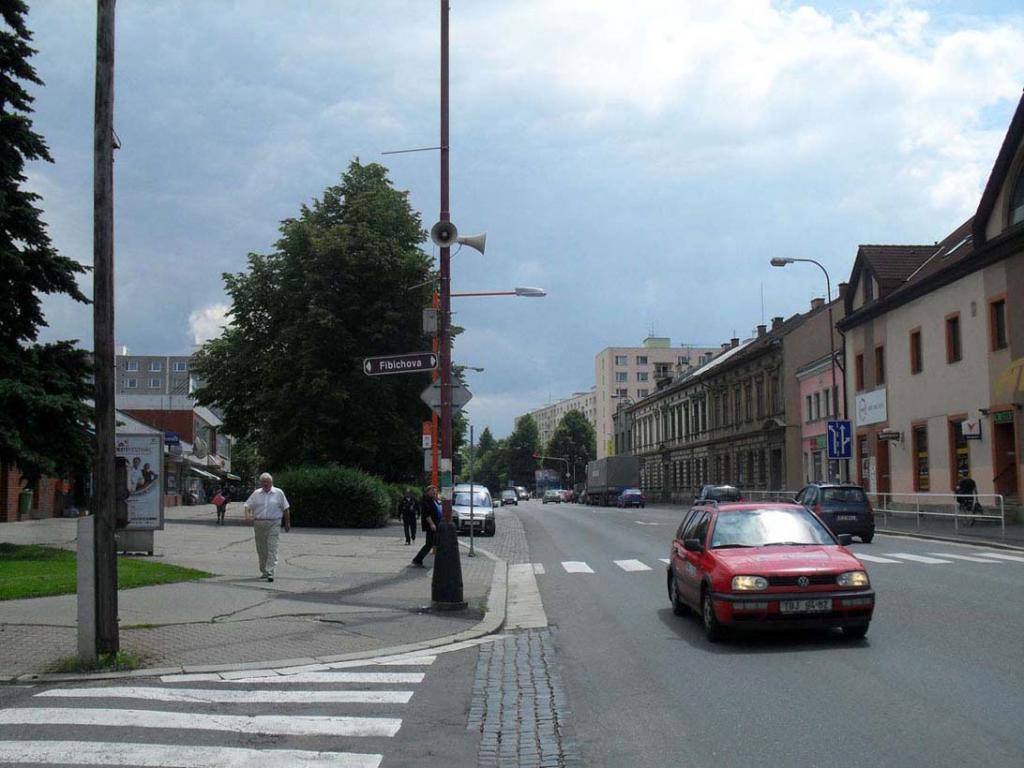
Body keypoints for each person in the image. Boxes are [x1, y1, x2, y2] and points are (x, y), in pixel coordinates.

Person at [243, 472, 291, 582]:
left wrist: (287, 523)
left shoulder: (278, 493)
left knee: (272, 547)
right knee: (262, 549)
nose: (265, 484)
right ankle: (264, 571)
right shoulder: (256, 493)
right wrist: (247, 516)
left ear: (271, 482)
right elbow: (247, 506)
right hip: (259, 524)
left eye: (267, 482)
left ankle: (270, 571)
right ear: (260, 483)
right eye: (263, 482)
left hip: (274, 523)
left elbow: (286, 509)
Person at [411, 485, 441, 567]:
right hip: (431, 525)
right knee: (429, 544)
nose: (434, 492)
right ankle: (417, 560)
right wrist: (431, 524)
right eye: (432, 490)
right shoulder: (426, 500)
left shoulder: (433, 500)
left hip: (436, 524)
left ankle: (418, 560)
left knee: (432, 543)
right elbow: (426, 514)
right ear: (428, 492)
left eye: (435, 491)